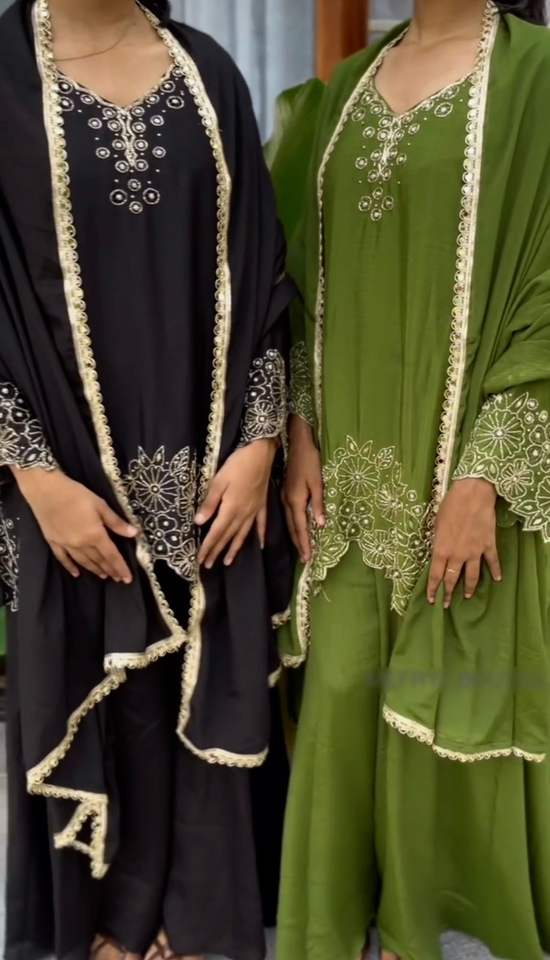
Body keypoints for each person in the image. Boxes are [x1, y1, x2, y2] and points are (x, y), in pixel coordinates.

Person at [0, 1, 293, 959]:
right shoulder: (5, 72)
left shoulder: (207, 71)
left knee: (203, 670)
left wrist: (259, 445)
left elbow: (263, 270)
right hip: (60, 470)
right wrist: (33, 474)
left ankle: (191, 916)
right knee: (96, 664)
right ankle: (110, 919)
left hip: (208, 462)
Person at [274, 0, 550, 958]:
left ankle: (421, 931)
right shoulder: (347, 88)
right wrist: (299, 428)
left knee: (452, 691)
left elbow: (547, 287)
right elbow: (299, 277)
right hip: (348, 482)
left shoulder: (535, 78)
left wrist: (486, 476)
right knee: (345, 700)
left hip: (468, 469)